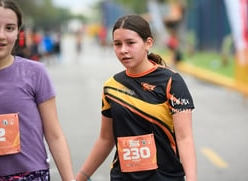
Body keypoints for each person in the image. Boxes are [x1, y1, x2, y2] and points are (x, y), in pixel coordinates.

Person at [76, 14, 197, 181]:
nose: (123, 50)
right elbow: (105, 139)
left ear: (148, 43)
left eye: (130, 43)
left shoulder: (171, 81)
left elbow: (185, 138)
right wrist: (80, 177)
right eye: (117, 44)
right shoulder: (111, 86)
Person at [0, 0, 75, 180]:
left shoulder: (35, 72)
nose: (0, 35)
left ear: (18, 33)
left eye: (10, 28)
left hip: (31, 175)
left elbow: (54, 135)